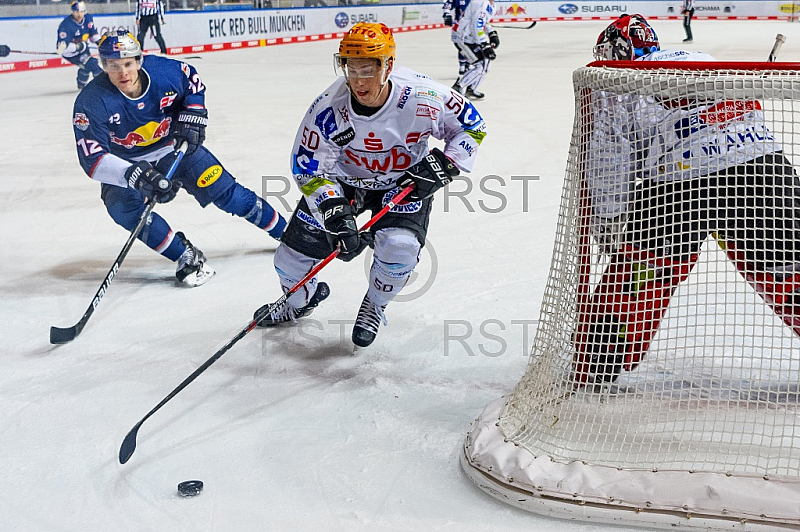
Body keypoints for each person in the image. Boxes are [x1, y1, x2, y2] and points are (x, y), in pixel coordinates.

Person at [576, 14, 800, 383]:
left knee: (639, 278)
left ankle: (593, 368)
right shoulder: (703, 59)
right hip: (764, 167)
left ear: (616, 49)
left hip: (679, 186)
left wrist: (611, 216)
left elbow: (609, 155)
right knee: (791, 271)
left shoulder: (613, 81)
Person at [254, 22, 487, 349]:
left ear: (388, 65)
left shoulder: (422, 96)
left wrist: (445, 166)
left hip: (403, 183)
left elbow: (472, 127)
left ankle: (375, 305)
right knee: (289, 261)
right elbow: (307, 164)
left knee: (399, 249)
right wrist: (334, 210)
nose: (358, 80)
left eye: (368, 68)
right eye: (351, 67)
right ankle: (297, 304)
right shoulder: (328, 108)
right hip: (344, 183)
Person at [72, 30, 287, 287]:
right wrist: (134, 176)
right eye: (114, 66)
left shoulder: (165, 72)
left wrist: (193, 113)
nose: (123, 73)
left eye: (128, 63)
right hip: (128, 163)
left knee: (227, 192)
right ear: (103, 65)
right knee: (124, 210)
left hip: (174, 149)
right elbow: (93, 159)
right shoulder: (91, 102)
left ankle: (287, 234)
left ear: (139, 60)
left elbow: (192, 81)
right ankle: (183, 254)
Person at [451, 0, 498, 101]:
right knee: (480, 66)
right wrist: (484, 44)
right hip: (463, 38)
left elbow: (485, 22)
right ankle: (457, 89)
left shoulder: (491, 4)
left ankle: (471, 90)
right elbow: (476, 26)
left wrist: (492, 33)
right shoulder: (481, 3)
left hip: (471, 38)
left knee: (486, 63)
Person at [56, 1, 103, 90]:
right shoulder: (66, 25)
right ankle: (101, 86)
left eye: (81, 12)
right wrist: (79, 46)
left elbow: (93, 34)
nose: (79, 14)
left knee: (87, 65)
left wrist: (101, 43)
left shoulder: (88, 18)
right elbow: (62, 48)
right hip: (72, 54)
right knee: (93, 63)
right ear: (72, 11)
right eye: (76, 12)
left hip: (84, 49)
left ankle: (81, 84)